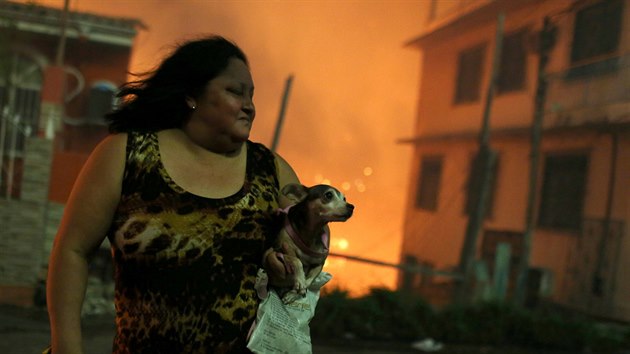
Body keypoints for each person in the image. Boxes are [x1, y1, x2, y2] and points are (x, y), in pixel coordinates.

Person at [46, 35, 299, 354]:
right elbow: (72, 250)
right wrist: (66, 347)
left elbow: (307, 254)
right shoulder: (128, 156)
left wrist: (288, 263)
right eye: (235, 91)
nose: (249, 105)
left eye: (251, 95)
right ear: (192, 94)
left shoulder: (272, 172)